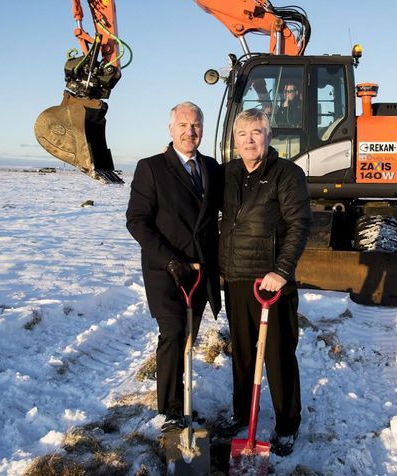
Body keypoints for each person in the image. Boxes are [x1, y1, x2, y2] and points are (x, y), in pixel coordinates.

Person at [217, 108, 311, 456]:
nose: (249, 140)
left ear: (268, 136)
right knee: (242, 354)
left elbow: (300, 225)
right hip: (237, 278)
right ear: (234, 140)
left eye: (256, 132)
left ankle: (287, 424)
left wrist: (282, 270)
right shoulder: (227, 174)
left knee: (278, 355)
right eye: (242, 134)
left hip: (272, 283)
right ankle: (242, 414)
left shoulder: (287, 174)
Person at [126, 101, 222, 432]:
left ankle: (183, 402)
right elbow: (136, 221)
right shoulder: (151, 167)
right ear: (170, 130)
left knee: (189, 338)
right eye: (182, 125)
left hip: (200, 272)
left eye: (195, 125)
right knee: (173, 332)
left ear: (202, 130)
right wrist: (169, 259)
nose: (189, 131)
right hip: (165, 270)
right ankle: (169, 410)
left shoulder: (211, 167)